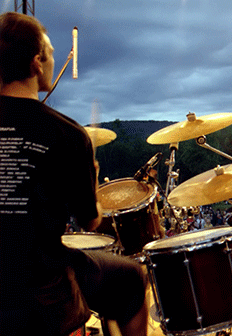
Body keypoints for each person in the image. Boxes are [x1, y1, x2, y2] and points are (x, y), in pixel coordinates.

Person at [0, 12, 148, 335]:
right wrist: (91, 177)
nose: (53, 59)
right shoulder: (67, 134)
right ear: (37, 62)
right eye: (51, 52)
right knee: (133, 277)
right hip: (41, 287)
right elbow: (90, 221)